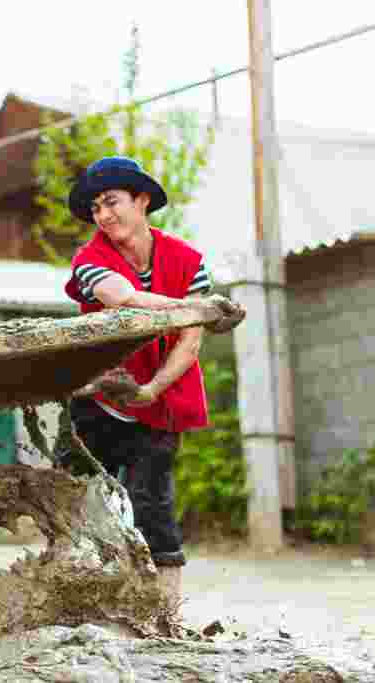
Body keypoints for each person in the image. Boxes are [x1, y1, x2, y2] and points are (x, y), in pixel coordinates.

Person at [63, 156, 240, 604]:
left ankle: (166, 610)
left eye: (111, 202)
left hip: (159, 397)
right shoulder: (89, 261)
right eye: (95, 209)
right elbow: (122, 298)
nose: (103, 216)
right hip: (100, 397)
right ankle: (83, 599)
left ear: (141, 200)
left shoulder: (188, 262)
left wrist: (152, 390)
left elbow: (190, 342)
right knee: (82, 499)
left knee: (153, 501)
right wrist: (198, 308)